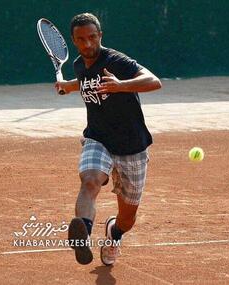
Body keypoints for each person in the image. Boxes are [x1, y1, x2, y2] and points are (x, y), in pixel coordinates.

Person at [55, 13, 162, 265]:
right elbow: (83, 81)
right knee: (90, 181)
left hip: (132, 146)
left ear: (100, 36)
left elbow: (154, 81)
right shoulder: (80, 64)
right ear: (74, 41)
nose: (88, 44)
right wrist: (66, 86)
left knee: (127, 219)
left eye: (92, 37)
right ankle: (83, 233)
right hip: (98, 139)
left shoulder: (116, 61)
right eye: (81, 40)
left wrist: (121, 85)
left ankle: (114, 235)